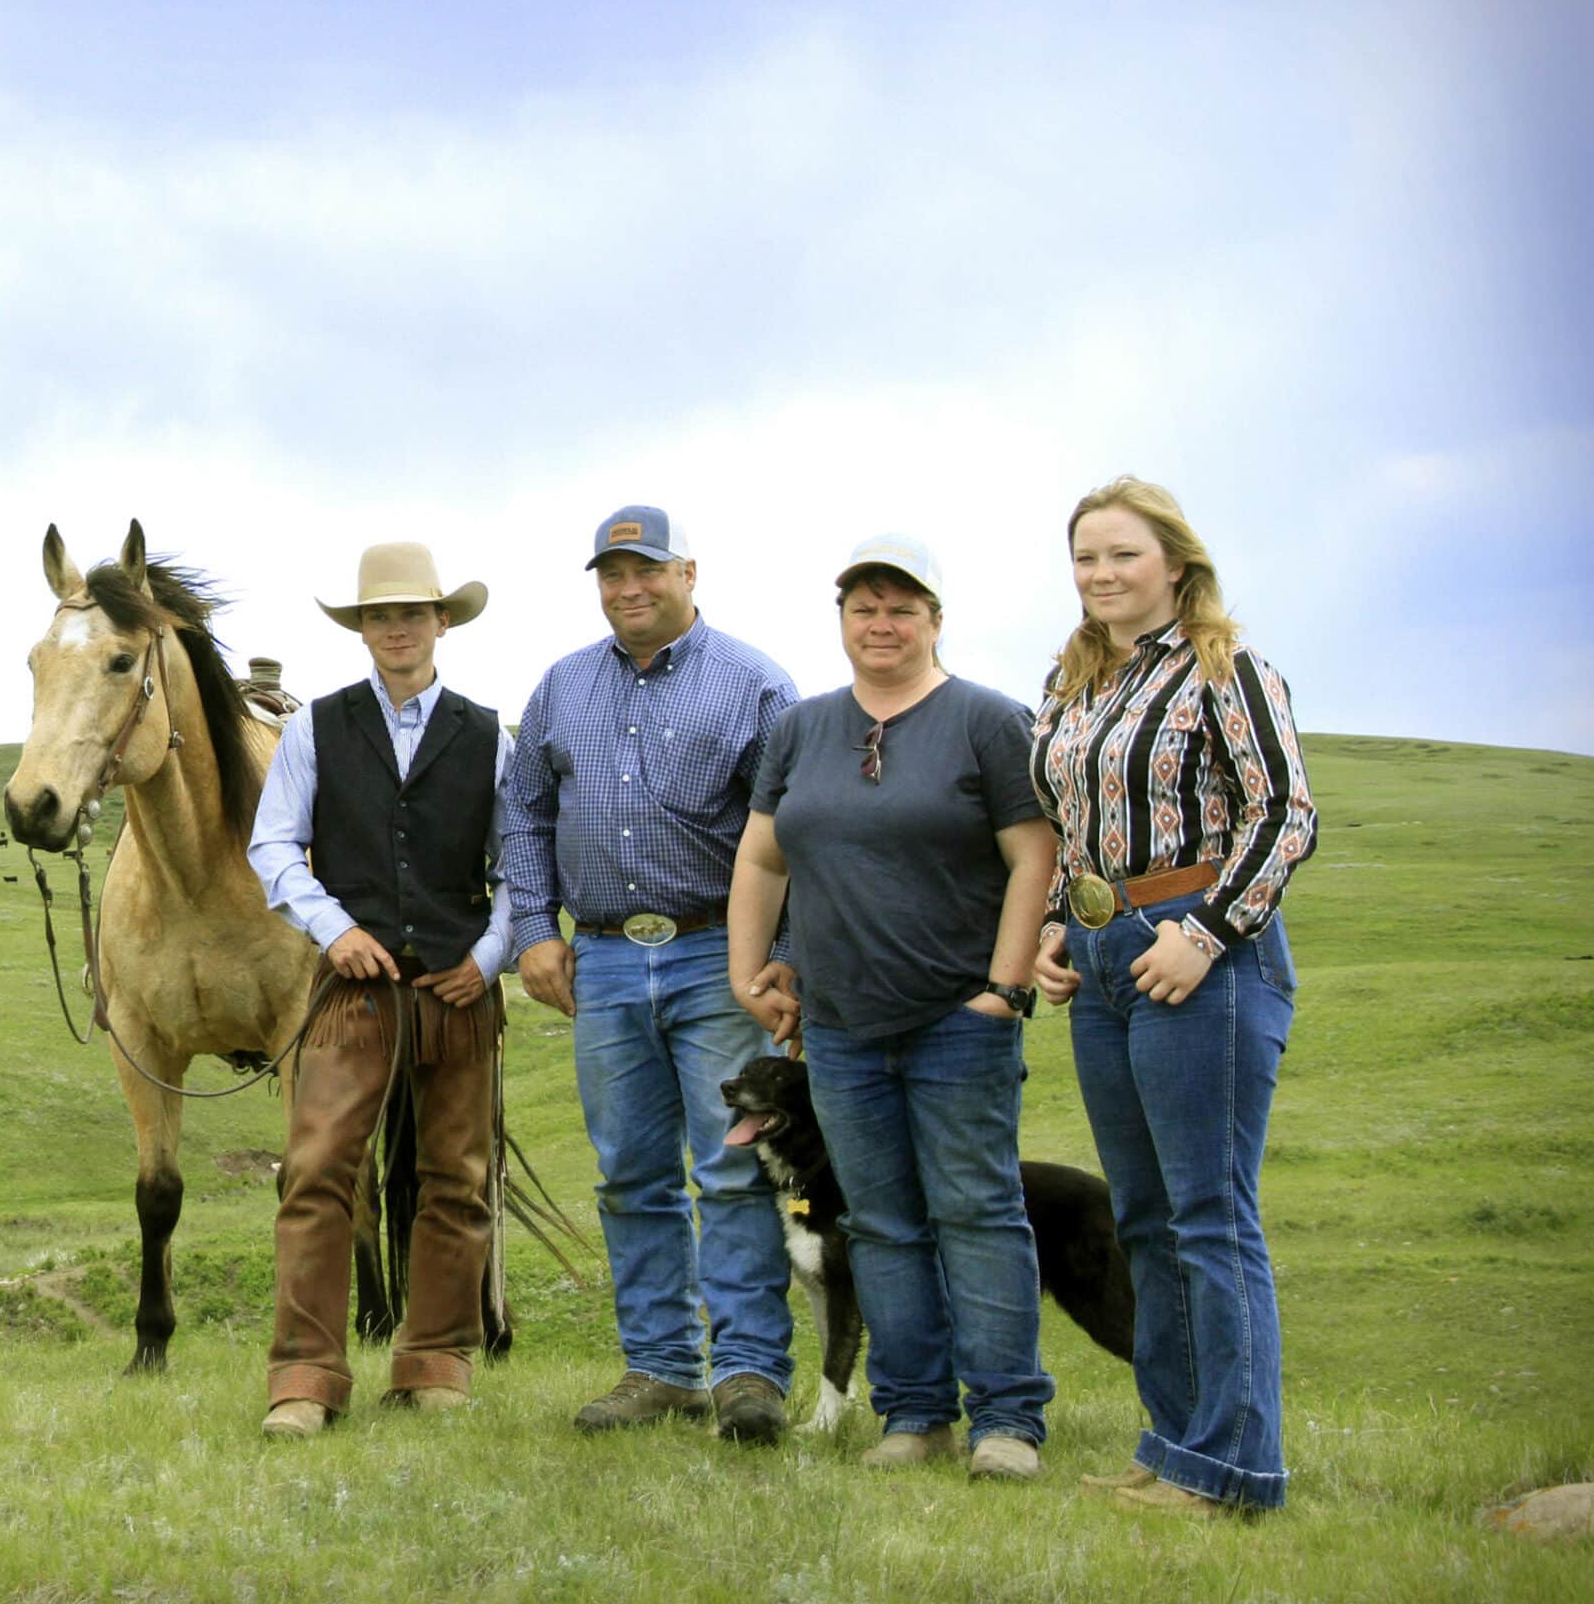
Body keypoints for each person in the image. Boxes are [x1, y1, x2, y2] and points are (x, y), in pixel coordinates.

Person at [727, 533, 1059, 1479]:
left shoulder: (988, 722)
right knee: (879, 1220)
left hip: (959, 1015)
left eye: (901, 607)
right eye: (863, 606)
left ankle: (1007, 1420)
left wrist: (1006, 985)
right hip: (837, 1027)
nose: (881, 622)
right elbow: (762, 854)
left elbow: (1033, 854)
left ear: (935, 621)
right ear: (841, 621)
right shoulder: (799, 729)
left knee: (978, 1211)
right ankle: (914, 1415)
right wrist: (750, 968)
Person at [1029, 477, 1317, 1517]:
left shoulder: (1224, 668)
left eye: (1123, 556)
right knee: (1144, 1215)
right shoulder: (1074, 682)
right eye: (1086, 558)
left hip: (1201, 946)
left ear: (1177, 562)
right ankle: (1175, 1441)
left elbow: (1284, 813)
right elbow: (1071, 824)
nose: (1102, 575)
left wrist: (1206, 932)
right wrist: (1060, 925)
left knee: (1209, 1214)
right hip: (1106, 958)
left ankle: (1235, 1466)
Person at [499, 504, 801, 1445]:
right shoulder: (562, 686)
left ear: (690, 572)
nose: (628, 588)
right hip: (603, 958)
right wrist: (530, 932)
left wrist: (782, 957)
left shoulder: (755, 683)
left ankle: (748, 1369)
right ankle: (662, 1366)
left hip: (720, 950)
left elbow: (792, 831)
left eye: (647, 570)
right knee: (630, 1169)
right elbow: (523, 814)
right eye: (611, 573)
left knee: (733, 1161)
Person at [247, 542, 513, 1441]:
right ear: (361, 629)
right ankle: (305, 1376)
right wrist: (337, 929)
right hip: (351, 990)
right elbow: (274, 846)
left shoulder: (490, 737)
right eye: (377, 614)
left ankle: (437, 1360)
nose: (395, 627)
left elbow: (522, 865)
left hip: (458, 987)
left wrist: (492, 952)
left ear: (442, 622)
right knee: (318, 1170)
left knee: (456, 1175)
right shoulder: (317, 728)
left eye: (412, 612)